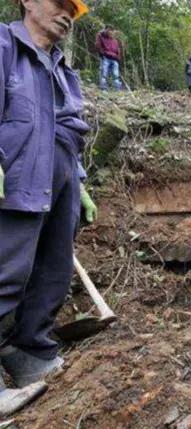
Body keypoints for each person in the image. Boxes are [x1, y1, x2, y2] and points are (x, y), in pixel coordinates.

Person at [0, 0, 98, 411]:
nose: (66, 14)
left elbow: (70, 127)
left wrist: (79, 182)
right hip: (17, 181)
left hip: (61, 185)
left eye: (72, 11)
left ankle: (30, 354)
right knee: (5, 275)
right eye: (59, 3)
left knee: (53, 271)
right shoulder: (5, 45)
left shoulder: (64, 69)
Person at [95, 24, 122, 91]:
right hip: (105, 58)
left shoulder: (115, 40)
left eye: (111, 30)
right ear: (106, 30)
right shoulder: (101, 36)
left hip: (114, 59)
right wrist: (102, 54)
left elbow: (118, 49)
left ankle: (117, 90)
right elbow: (98, 45)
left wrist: (118, 57)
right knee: (104, 73)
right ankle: (103, 89)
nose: (110, 31)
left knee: (116, 75)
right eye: (109, 29)